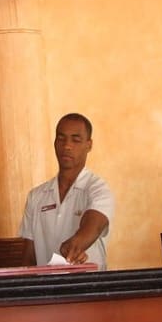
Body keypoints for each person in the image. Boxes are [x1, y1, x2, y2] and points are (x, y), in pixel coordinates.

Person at [19, 113, 115, 269]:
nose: (67, 146)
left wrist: (76, 243)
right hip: (48, 291)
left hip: (89, 290)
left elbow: (94, 224)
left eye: (76, 140)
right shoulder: (35, 197)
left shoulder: (98, 189)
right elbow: (29, 258)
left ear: (89, 145)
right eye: (61, 138)